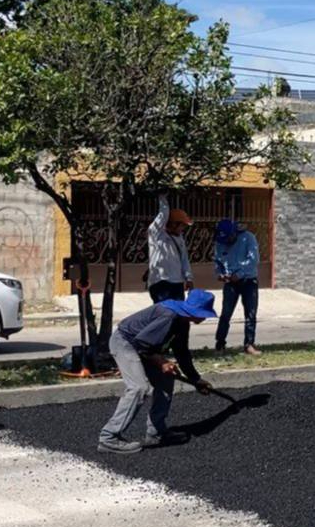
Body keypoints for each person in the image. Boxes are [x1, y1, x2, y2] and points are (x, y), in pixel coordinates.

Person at [97, 288, 217, 454]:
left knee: (166, 380)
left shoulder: (182, 321)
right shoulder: (169, 315)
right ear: (192, 310)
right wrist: (161, 362)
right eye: (202, 313)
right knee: (139, 387)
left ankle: (156, 432)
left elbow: (181, 352)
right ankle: (109, 437)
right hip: (125, 342)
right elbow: (141, 343)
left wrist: (196, 379)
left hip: (143, 347)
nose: (204, 317)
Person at [213, 219, 260, 355]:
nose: (227, 241)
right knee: (226, 314)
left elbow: (253, 260)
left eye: (229, 237)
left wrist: (239, 273)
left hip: (248, 280)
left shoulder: (248, 238)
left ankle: (249, 344)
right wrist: (220, 273)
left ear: (234, 232)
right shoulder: (220, 241)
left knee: (250, 314)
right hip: (230, 282)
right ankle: (220, 344)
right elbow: (217, 260)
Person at [147, 193, 193, 303]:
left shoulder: (180, 239)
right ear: (173, 224)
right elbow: (163, 215)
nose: (183, 228)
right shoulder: (156, 234)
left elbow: (184, 260)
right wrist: (162, 197)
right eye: (182, 225)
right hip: (160, 282)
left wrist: (189, 278)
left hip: (177, 283)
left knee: (179, 316)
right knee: (164, 315)